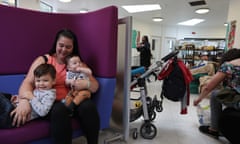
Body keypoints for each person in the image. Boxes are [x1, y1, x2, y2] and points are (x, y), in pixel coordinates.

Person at [10, 29, 100, 144]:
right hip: (50, 103)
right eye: (61, 45)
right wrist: (24, 100)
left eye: (68, 47)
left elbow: (95, 86)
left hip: (72, 101)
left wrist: (87, 84)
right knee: (59, 109)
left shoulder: (77, 64)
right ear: (56, 44)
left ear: (73, 48)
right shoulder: (44, 60)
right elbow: (27, 82)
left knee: (88, 106)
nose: (63, 50)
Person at [193, 48, 240, 139]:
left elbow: (209, 87)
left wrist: (198, 99)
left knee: (215, 94)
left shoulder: (229, 65)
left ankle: (214, 129)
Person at [0, 63, 56, 128]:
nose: (41, 83)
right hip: (14, 107)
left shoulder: (50, 95)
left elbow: (43, 112)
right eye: (38, 81)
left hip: (15, 116)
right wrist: (19, 98)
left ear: (53, 81)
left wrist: (32, 97)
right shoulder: (38, 90)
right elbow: (29, 99)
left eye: (45, 80)